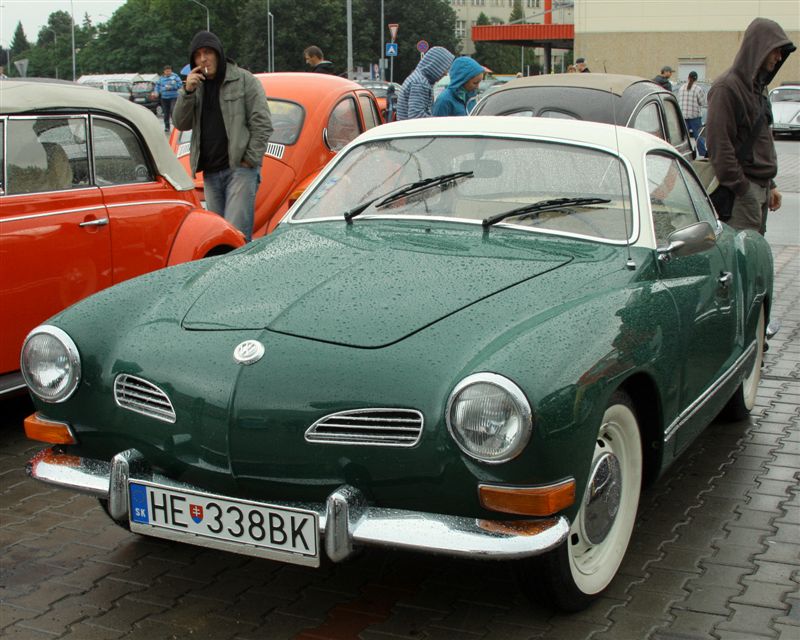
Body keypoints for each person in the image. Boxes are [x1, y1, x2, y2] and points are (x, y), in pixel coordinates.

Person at [173, 30, 273, 242]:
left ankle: (242, 265)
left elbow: (262, 122)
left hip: (239, 169)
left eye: (208, 52)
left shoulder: (244, 80)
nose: (203, 59)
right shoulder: (196, 86)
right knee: (217, 237)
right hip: (210, 172)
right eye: (198, 55)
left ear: (218, 53)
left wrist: (250, 159)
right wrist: (187, 92)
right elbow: (181, 123)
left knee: (236, 235)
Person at [706, 18, 795, 235]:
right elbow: (719, 147)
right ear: (759, 48)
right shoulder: (727, 88)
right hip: (741, 191)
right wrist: (743, 190)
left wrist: (771, 184)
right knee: (741, 253)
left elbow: (761, 141)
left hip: (761, 188)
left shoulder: (759, 88)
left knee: (756, 251)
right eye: (775, 50)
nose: (779, 57)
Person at [396, 46, 455, 120]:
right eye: (444, 68)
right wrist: (438, 122)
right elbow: (416, 116)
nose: (446, 73)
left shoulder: (418, 78)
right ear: (436, 66)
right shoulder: (420, 83)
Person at [678, 70, 707, 156]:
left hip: (683, 116)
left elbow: (679, 100)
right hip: (695, 116)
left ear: (688, 77)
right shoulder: (698, 89)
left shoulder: (681, 88)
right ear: (696, 79)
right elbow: (702, 103)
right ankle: (702, 153)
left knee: (684, 137)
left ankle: (683, 153)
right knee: (698, 136)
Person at [153, 65, 183, 132]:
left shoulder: (175, 77)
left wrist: (172, 87)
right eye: (167, 71)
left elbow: (180, 85)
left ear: (171, 71)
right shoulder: (161, 78)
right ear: (164, 71)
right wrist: (156, 92)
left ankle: (175, 126)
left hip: (173, 97)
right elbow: (157, 86)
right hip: (164, 98)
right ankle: (167, 127)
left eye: (169, 71)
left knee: (173, 111)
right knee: (166, 113)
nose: (168, 72)